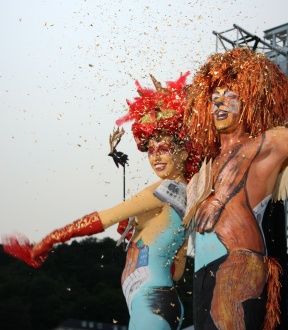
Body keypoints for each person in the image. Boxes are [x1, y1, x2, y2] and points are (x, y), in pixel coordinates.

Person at [3, 72, 198, 330]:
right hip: (163, 305)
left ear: (184, 152)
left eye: (164, 149)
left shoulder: (162, 190)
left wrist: (47, 241)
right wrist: (143, 237)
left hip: (151, 305)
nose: (155, 158)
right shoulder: (186, 196)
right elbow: (176, 271)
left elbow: (103, 218)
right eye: (151, 150)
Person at [183, 47, 288, 330]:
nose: (219, 105)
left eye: (230, 97)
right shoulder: (206, 168)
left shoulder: (264, 146)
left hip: (239, 263)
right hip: (203, 273)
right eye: (215, 99)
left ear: (250, 102)